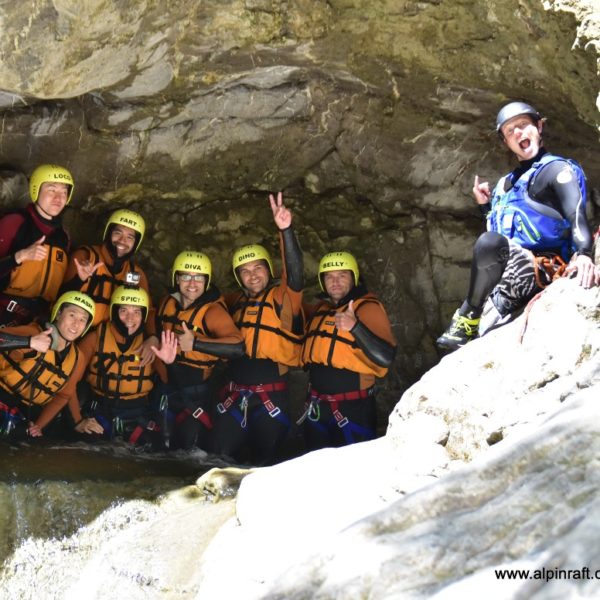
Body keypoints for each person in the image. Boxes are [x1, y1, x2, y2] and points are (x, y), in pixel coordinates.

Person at [437, 101, 598, 352]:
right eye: (510, 131)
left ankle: (468, 314)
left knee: (488, 242)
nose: (519, 133)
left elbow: (576, 213)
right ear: (505, 142)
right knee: (489, 242)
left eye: (524, 125)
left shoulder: (556, 170)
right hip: (507, 280)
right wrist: (485, 207)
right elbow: (503, 235)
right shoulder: (505, 185)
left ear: (539, 127)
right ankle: (473, 319)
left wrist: (585, 254)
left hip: (540, 268)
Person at [212, 192, 304, 465]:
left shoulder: (283, 299)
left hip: (271, 397)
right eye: (245, 271)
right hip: (234, 393)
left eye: (258, 268)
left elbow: (296, 273)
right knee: (215, 457)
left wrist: (285, 230)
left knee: (267, 463)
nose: (252, 275)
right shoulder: (233, 302)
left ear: (269, 269)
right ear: (239, 277)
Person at [300, 251, 397, 450]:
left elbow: (386, 357)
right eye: (329, 276)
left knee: (355, 473)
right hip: (318, 406)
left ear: (354, 278)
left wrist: (355, 327)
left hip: (354, 409)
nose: (335, 282)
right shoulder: (321, 310)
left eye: (342, 275)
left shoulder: (368, 308)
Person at [61, 286, 177, 448]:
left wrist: (169, 363)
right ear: (113, 312)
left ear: (143, 315)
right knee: (87, 445)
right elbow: (69, 382)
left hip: (137, 413)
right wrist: (78, 421)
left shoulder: (151, 344)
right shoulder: (94, 339)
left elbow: (170, 383)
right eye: (123, 311)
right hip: (100, 410)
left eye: (136, 312)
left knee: (155, 448)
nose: (130, 318)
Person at [155, 250, 244, 451]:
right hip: (167, 387)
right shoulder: (167, 303)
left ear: (207, 281)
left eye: (199, 278)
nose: (192, 283)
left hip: (196, 392)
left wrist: (195, 344)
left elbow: (238, 347)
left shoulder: (213, 311)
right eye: (186, 276)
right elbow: (152, 319)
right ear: (177, 279)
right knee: (161, 449)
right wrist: (152, 337)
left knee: (188, 450)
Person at [0, 291, 96, 440]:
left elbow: (63, 395)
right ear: (58, 314)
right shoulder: (32, 333)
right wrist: (29, 342)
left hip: (26, 414)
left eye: (83, 319)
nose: (76, 324)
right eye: (72, 315)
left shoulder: (77, 358)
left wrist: (38, 426)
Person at [0, 164, 74, 327]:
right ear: (36, 190)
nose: (58, 198)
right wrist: (20, 256)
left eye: (64, 192)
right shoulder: (13, 223)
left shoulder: (63, 236)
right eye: (51, 190)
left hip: (38, 323)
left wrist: (80, 280)